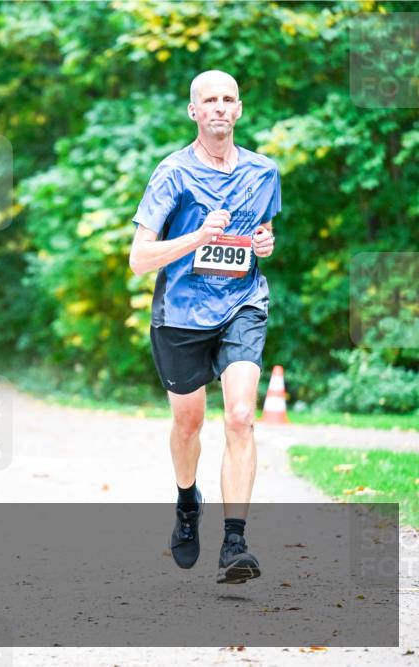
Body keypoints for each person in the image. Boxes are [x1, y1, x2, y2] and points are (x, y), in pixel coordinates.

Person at [128, 70, 279, 584]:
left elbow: (263, 230)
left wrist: (265, 244)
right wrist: (195, 237)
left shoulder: (264, 171)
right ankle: (188, 502)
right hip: (181, 316)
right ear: (193, 111)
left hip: (242, 303)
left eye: (227, 99)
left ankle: (234, 543)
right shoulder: (171, 173)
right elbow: (139, 258)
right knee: (189, 424)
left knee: (240, 416)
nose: (219, 107)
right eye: (208, 100)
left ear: (239, 109)